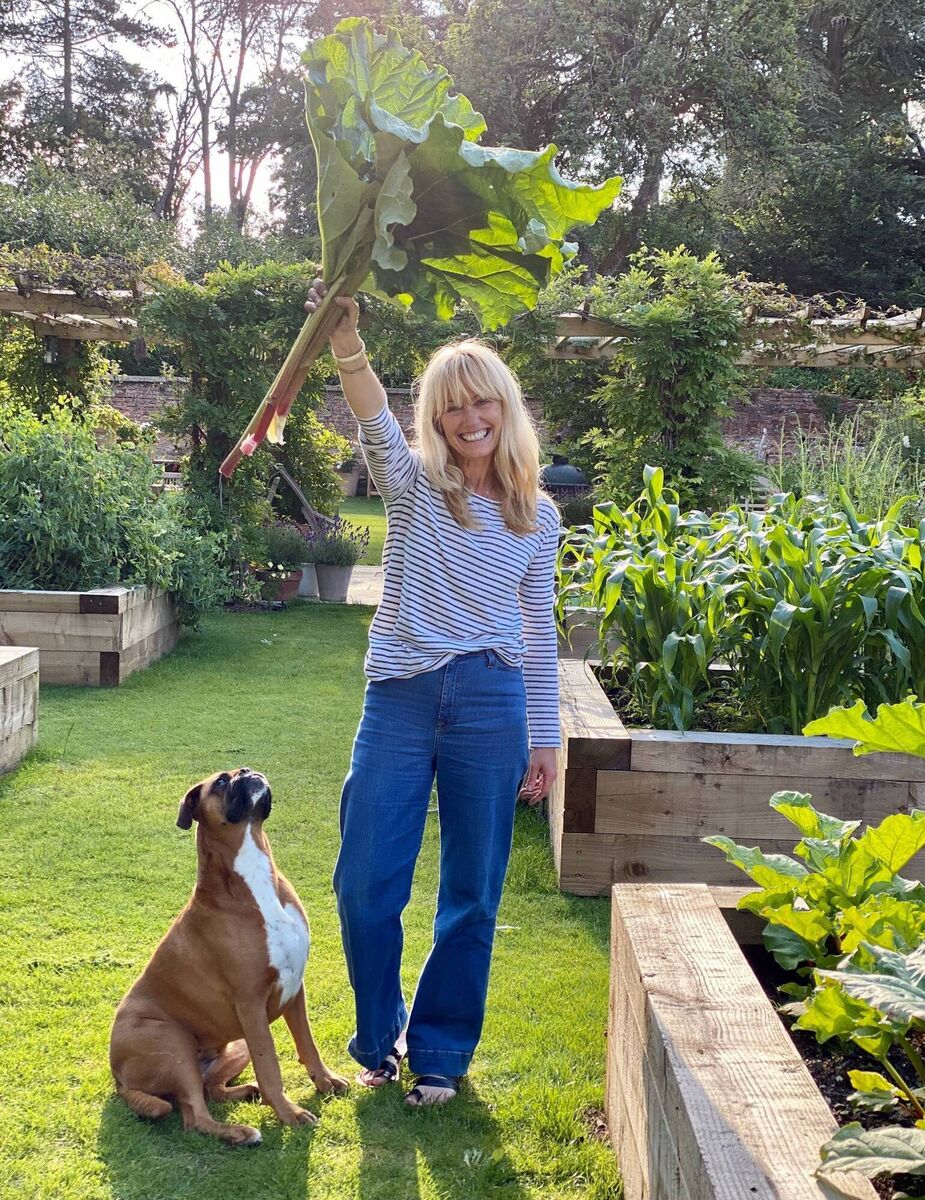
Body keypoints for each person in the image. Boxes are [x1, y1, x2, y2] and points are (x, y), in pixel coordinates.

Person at [305, 279, 560, 1108]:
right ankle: (378, 1039)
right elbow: (370, 413)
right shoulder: (416, 486)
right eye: (452, 407)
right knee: (365, 880)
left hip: (492, 703)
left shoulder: (537, 517)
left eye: (482, 402)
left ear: (504, 408)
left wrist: (547, 737)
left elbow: (538, 630)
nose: (469, 418)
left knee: (473, 892)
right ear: (437, 419)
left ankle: (442, 1050)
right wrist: (346, 339)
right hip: (401, 701)